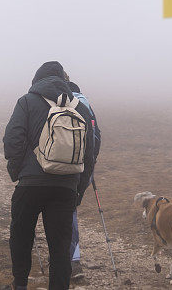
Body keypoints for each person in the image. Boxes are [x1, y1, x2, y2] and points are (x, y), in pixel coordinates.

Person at [3, 61, 95, 290]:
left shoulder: (26, 101)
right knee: (60, 247)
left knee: (21, 237)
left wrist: (17, 172)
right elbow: (90, 154)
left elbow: (12, 140)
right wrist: (78, 190)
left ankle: (20, 285)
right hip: (65, 188)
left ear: (37, 80)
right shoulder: (81, 109)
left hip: (31, 184)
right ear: (64, 81)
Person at [67, 81, 101, 282]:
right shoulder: (84, 103)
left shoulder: (53, 101)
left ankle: (65, 260)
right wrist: (90, 168)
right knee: (70, 211)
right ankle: (74, 260)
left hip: (55, 170)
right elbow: (96, 137)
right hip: (80, 170)